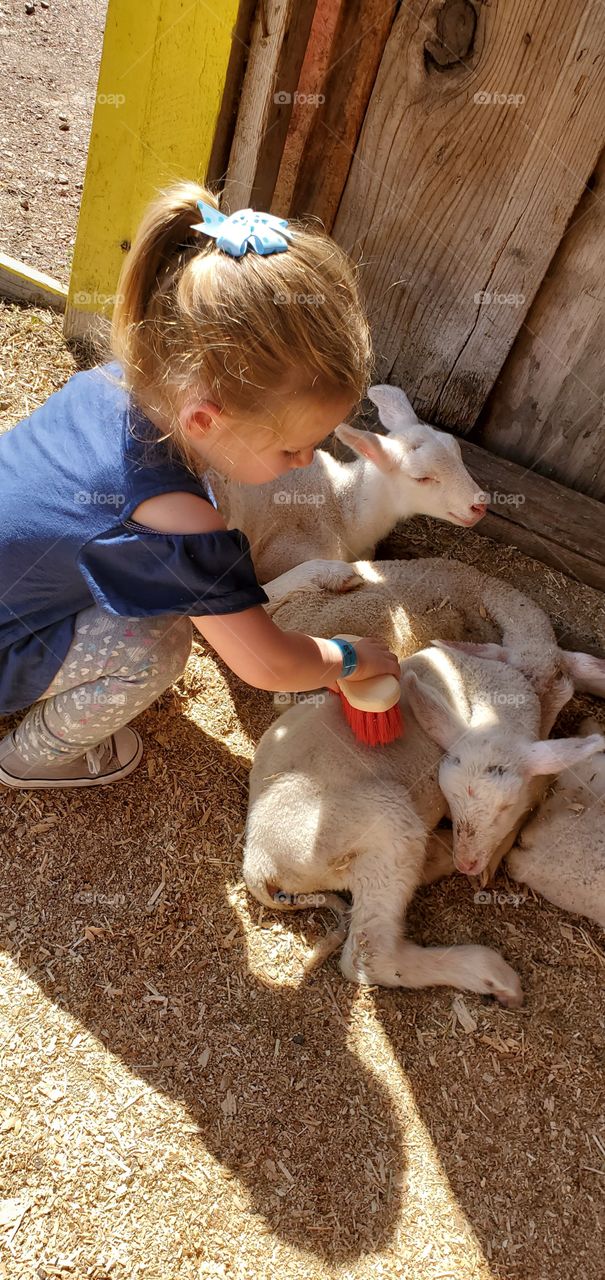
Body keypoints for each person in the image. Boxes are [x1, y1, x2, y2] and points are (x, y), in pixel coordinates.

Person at [0, 182, 399, 790]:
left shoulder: (113, 381)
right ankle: (33, 758)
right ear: (206, 420)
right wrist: (347, 656)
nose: (305, 461)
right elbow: (266, 663)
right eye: (290, 447)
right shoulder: (175, 515)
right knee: (157, 644)